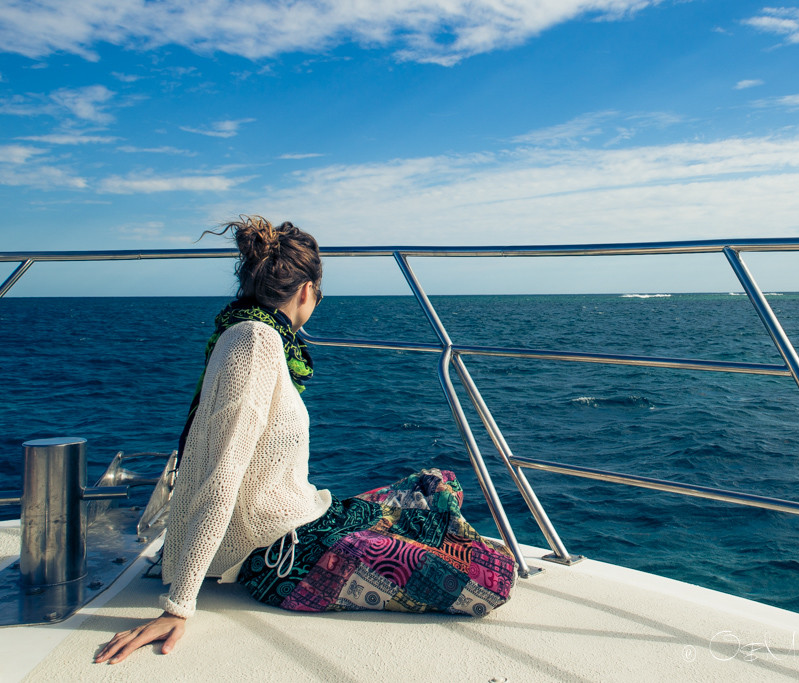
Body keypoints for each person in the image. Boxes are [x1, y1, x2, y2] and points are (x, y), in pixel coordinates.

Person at [96, 216, 517, 665]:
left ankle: (437, 539)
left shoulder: (254, 333)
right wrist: (179, 605)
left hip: (304, 518)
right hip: (277, 558)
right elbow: (222, 475)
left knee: (437, 483)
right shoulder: (254, 343)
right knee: (493, 579)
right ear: (306, 291)